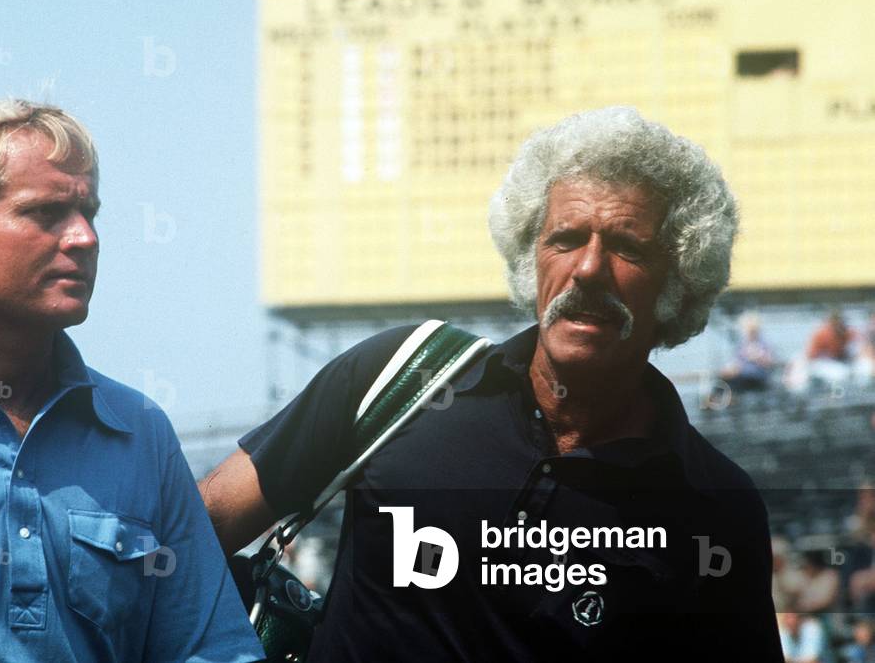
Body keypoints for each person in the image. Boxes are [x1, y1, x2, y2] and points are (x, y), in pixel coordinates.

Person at [201, 106, 782, 661]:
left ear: (678, 283)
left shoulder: (715, 508)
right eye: (565, 238)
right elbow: (196, 530)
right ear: (532, 258)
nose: (587, 268)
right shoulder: (402, 375)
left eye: (627, 247)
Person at [0, 100, 263, 662]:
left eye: (88, 212)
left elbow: (211, 650)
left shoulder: (137, 433)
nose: (84, 238)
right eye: (45, 213)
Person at [719, 312, 777, 393]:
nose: (749, 332)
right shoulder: (742, 344)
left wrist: (756, 357)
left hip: (757, 377)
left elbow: (770, 363)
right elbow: (737, 363)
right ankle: (714, 401)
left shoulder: (763, 344)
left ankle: (730, 400)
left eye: (751, 329)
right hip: (742, 376)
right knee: (722, 380)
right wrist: (729, 370)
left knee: (735, 383)